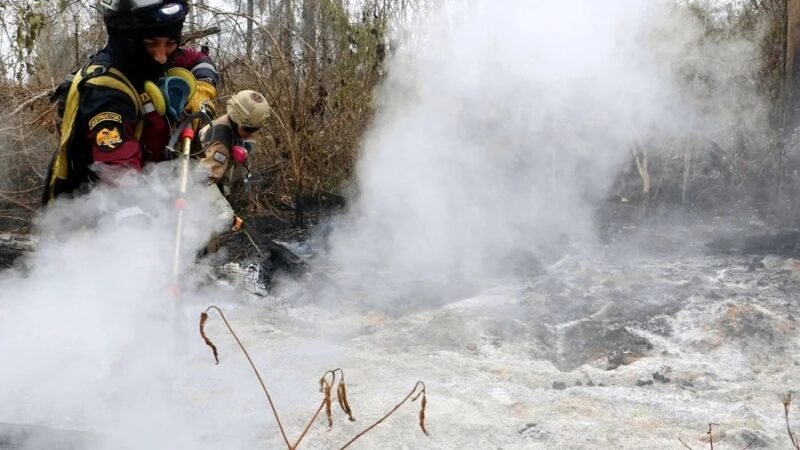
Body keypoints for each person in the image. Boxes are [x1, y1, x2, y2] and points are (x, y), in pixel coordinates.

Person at [42, 0, 219, 206]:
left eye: (170, 43)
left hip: (153, 194)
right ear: (127, 38)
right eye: (152, 43)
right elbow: (119, 173)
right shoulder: (105, 92)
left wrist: (203, 87)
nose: (162, 57)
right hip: (88, 215)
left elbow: (200, 60)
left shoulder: (155, 57)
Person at [196, 90, 270, 251]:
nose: (251, 135)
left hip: (205, 195)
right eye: (249, 130)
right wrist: (223, 210)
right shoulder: (221, 144)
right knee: (203, 242)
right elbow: (200, 181)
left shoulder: (229, 126)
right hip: (193, 202)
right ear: (238, 121)